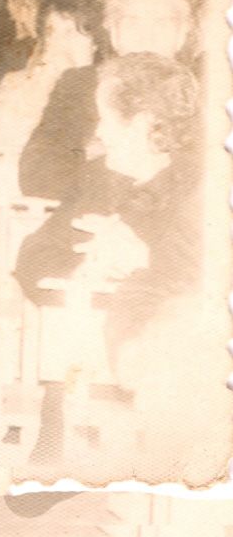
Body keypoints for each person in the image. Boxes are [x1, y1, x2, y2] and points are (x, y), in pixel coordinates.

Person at [13, 53, 201, 466]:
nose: (98, 131)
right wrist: (86, 270)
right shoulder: (99, 175)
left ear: (145, 123)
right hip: (94, 333)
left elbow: (203, 281)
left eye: (106, 119)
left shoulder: (205, 188)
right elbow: (34, 254)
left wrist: (139, 258)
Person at [19, 0, 192, 202]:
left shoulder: (202, 94)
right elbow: (36, 173)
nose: (146, 36)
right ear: (114, 33)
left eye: (160, 22)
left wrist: (101, 158)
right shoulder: (80, 86)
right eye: (132, 22)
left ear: (182, 34)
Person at [0, 0, 102, 155]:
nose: (59, 43)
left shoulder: (108, 90)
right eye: (51, 32)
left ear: (95, 43)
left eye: (70, 32)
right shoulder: (17, 83)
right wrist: (41, 84)